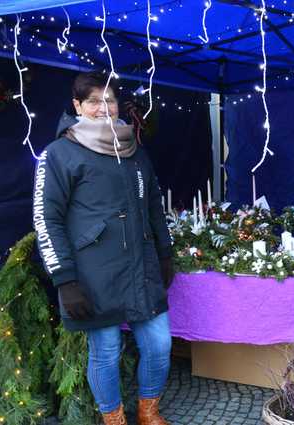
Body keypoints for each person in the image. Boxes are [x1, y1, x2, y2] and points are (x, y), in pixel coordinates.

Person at [33, 71, 175, 425]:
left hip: (141, 268)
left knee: (159, 345)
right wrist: (65, 280)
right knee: (106, 351)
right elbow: (45, 218)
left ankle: (148, 411)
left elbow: (154, 205)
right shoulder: (59, 154)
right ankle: (114, 419)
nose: (103, 107)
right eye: (93, 100)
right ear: (78, 105)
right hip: (93, 273)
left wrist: (165, 253)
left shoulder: (133, 149)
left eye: (109, 100)